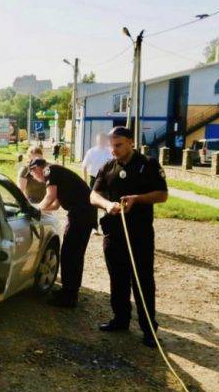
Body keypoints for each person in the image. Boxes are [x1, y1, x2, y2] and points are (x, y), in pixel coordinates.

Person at [90, 126, 169, 348]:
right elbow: (93, 195)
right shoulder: (108, 166)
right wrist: (107, 205)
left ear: (131, 143)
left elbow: (162, 195)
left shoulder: (148, 165)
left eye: (119, 145)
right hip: (114, 233)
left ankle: (148, 329)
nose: (114, 150)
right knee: (118, 278)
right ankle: (120, 319)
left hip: (139, 234)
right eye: (111, 146)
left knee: (142, 281)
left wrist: (137, 198)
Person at [28, 158, 97, 308]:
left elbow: (49, 197)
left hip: (81, 214)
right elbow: (54, 205)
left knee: (70, 254)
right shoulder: (58, 174)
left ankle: (69, 296)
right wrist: (35, 207)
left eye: (32, 174)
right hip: (83, 213)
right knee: (72, 254)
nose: (34, 178)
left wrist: (32, 211)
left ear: (36, 168)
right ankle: (69, 291)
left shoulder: (49, 171)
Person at [81, 133, 114, 235]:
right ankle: (94, 227)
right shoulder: (91, 152)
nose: (101, 142)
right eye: (99, 140)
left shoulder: (110, 151)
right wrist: (85, 181)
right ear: (97, 141)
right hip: (94, 179)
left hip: (108, 179)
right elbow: (84, 166)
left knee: (109, 201)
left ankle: (108, 226)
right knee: (93, 203)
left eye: (103, 140)